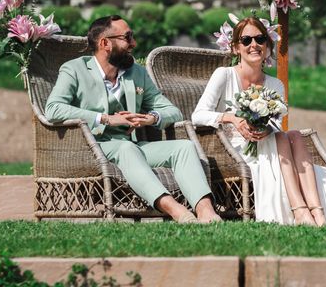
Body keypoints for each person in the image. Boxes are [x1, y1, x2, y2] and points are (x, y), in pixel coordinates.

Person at [45, 15, 220, 224]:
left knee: (183, 147)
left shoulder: (136, 72)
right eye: (127, 37)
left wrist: (151, 118)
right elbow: (53, 109)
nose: (133, 44)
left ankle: (205, 211)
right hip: (92, 147)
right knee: (126, 149)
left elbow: (173, 112)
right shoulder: (74, 69)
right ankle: (175, 210)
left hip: (131, 146)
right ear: (105, 43)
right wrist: (106, 119)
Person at [192, 16, 326, 226]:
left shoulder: (275, 84)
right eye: (246, 40)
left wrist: (265, 131)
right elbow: (197, 115)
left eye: (260, 39)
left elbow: (276, 124)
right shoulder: (224, 75)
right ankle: (300, 210)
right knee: (283, 137)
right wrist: (231, 118)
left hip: (267, 143)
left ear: (267, 46)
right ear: (236, 48)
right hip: (233, 148)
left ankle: (316, 213)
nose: (254, 45)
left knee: (293, 135)